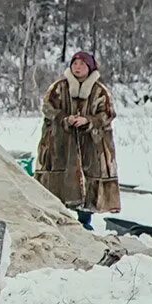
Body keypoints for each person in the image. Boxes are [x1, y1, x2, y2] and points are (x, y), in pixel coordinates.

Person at [36, 50, 120, 230]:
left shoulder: (99, 91)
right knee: (59, 180)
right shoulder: (59, 88)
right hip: (61, 144)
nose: (78, 67)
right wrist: (64, 119)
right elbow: (47, 107)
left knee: (88, 181)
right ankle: (58, 218)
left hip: (91, 145)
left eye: (82, 64)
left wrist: (89, 121)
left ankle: (85, 221)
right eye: (75, 63)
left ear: (89, 67)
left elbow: (108, 114)